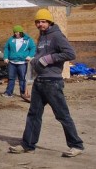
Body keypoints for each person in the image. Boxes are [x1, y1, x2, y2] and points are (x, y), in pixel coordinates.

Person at [9, 9, 83, 158]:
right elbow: (38, 58)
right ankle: (28, 145)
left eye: (43, 21)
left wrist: (49, 59)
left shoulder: (57, 36)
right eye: (37, 22)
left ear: (49, 22)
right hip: (40, 82)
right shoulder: (41, 37)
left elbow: (70, 53)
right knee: (33, 114)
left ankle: (76, 145)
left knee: (62, 115)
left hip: (53, 82)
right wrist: (30, 81)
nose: (40, 24)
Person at [2, 25, 36, 98]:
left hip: (22, 62)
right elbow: (6, 48)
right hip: (12, 62)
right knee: (11, 78)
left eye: (18, 32)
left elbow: (33, 48)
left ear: (21, 32)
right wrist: (5, 57)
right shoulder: (11, 40)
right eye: (15, 32)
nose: (16, 34)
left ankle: (23, 93)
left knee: (22, 78)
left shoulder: (27, 40)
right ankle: (8, 92)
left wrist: (30, 56)